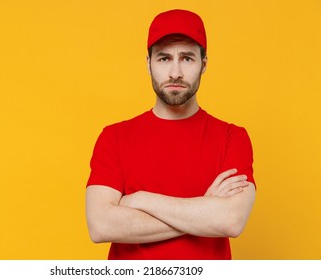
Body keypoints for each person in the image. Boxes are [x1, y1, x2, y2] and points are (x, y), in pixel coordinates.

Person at [85, 9, 256, 260]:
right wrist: (203, 210)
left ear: (204, 64)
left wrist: (140, 199)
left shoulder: (232, 138)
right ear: (148, 64)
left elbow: (231, 221)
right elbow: (100, 226)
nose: (175, 72)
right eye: (164, 58)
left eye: (187, 58)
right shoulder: (115, 137)